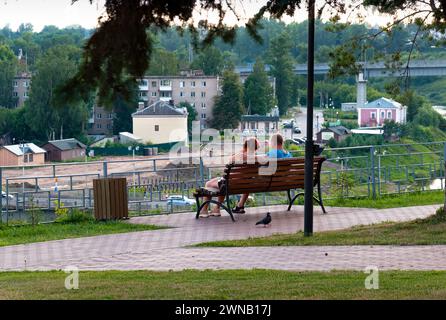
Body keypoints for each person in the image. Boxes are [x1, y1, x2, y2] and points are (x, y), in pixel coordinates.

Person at [199, 137, 260, 218]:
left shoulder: (238, 156)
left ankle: (204, 211)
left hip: (231, 184)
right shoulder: (257, 158)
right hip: (247, 185)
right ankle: (217, 209)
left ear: (244, 145)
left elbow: (230, 163)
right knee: (225, 182)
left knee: (209, 184)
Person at [232, 133, 291, 214]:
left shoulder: (274, 152)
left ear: (273, 143)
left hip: (268, 182)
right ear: (281, 142)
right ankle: (240, 205)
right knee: (250, 177)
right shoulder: (288, 154)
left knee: (248, 179)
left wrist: (249, 156)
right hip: (284, 181)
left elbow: (263, 158)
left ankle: (240, 205)